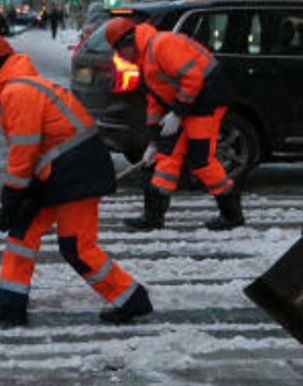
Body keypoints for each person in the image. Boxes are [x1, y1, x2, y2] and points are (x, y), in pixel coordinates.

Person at [0, 34, 152, 326]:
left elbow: (23, 150)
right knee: (22, 232)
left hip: (78, 172)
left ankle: (132, 299)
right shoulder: (19, 87)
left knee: (77, 246)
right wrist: (20, 196)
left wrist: (12, 195)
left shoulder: (18, 92)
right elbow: (35, 150)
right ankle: (10, 303)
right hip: (56, 173)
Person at [103, 17, 244, 231]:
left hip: (207, 100)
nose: (121, 58)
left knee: (201, 160)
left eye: (120, 52)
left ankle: (232, 214)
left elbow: (193, 78)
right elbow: (155, 102)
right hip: (186, 103)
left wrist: (177, 113)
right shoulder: (144, 60)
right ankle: (153, 217)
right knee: (165, 156)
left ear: (128, 43)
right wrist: (153, 141)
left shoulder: (163, 44)